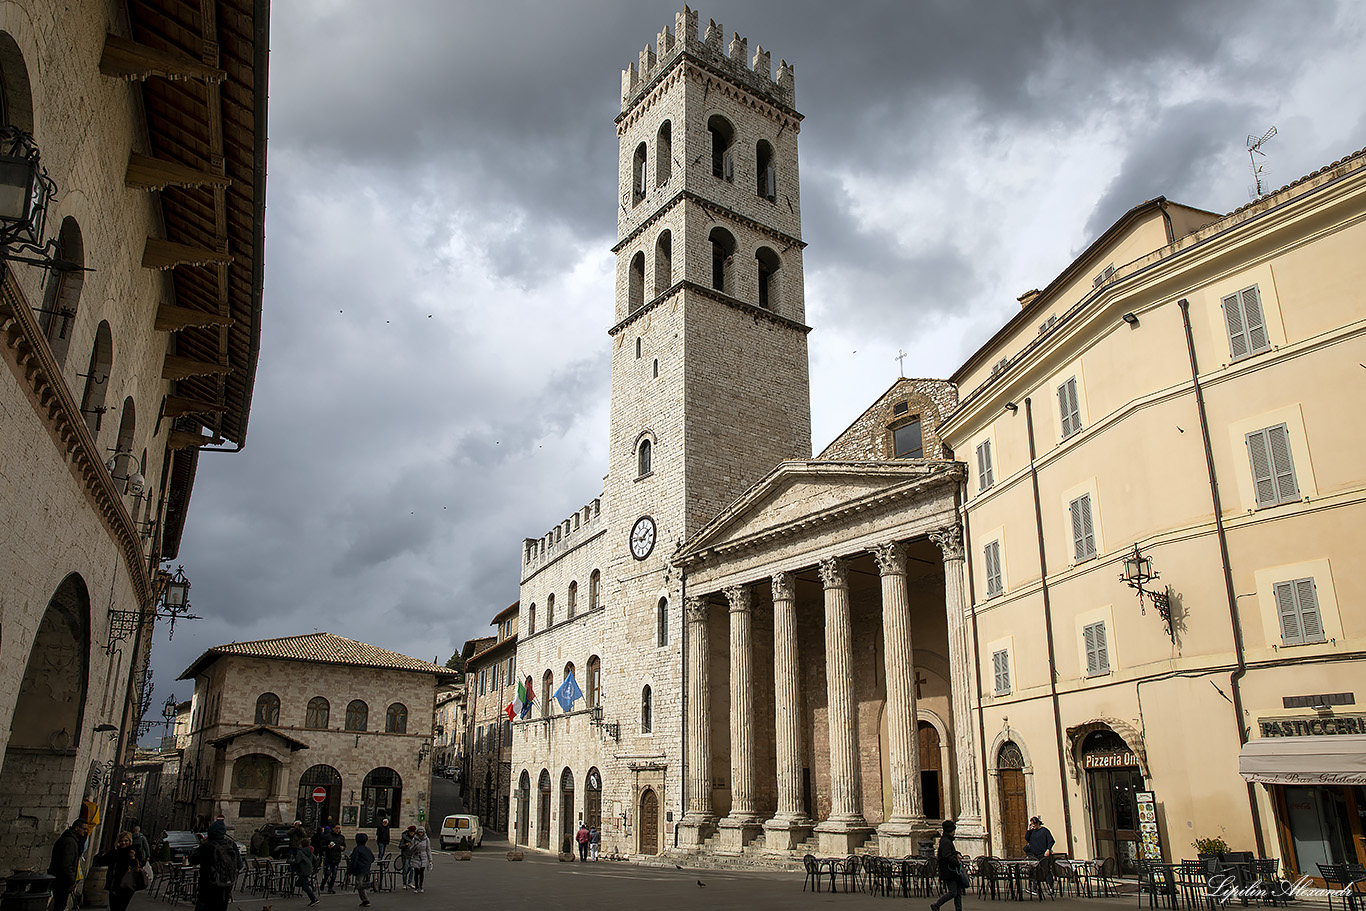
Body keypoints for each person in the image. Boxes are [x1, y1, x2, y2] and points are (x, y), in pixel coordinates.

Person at [189, 820, 243, 911]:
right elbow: (240, 864)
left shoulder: (208, 846)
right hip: (225, 886)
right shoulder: (231, 844)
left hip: (208, 886)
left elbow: (193, 860)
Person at [48, 817, 90, 911]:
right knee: (60, 905)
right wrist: (71, 881)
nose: (86, 831)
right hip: (62, 880)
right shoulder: (70, 842)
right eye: (84, 829)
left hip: (61, 880)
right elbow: (66, 864)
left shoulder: (72, 840)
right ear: (76, 828)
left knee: (59, 904)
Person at [96, 831, 143, 911]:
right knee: (114, 907)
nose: (123, 843)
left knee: (121, 908)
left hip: (127, 885)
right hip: (114, 885)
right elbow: (102, 861)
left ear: (130, 841)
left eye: (126, 841)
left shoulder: (133, 852)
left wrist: (133, 858)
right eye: (121, 841)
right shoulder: (115, 852)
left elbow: (138, 865)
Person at [930, 819, 965, 911]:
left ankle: (958, 909)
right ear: (950, 830)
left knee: (958, 892)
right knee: (953, 892)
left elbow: (950, 852)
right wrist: (956, 861)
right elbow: (947, 856)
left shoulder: (947, 840)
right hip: (949, 870)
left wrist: (957, 854)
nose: (954, 832)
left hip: (952, 870)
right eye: (953, 830)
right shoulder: (945, 841)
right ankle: (937, 904)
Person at [1024, 816, 1056, 895]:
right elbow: (1027, 838)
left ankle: (1051, 888)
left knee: (1046, 871)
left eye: (1034, 824)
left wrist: (1048, 849)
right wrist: (1028, 830)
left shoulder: (1044, 831)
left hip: (1043, 854)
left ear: (1038, 823)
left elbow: (1051, 841)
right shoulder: (1032, 832)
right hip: (1034, 855)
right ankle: (1034, 888)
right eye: (1031, 824)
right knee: (1034, 871)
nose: (1033, 826)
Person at [348, 832, 375, 908]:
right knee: (361, 886)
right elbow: (372, 858)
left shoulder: (357, 849)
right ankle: (365, 900)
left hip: (360, 869)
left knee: (359, 885)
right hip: (367, 869)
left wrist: (350, 871)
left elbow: (354, 861)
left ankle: (371, 885)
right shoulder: (368, 849)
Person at [290, 842, 320, 907]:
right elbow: (316, 859)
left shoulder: (300, 852)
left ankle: (313, 899)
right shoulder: (310, 851)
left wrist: (290, 861)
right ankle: (309, 883)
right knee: (299, 883)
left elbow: (297, 861)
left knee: (304, 886)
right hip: (308, 870)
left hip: (303, 871)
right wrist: (314, 868)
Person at [407, 827, 432, 893]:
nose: (420, 834)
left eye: (421, 832)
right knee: (416, 872)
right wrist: (414, 846)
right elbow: (410, 849)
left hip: (423, 856)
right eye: (419, 833)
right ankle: (416, 886)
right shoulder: (414, 839)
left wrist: (430, 859)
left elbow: (428, 850)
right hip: (416, 856)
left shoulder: (426, 839)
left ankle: (421, 886)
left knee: (421, 872)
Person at [322, 826, 346, 893]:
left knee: (334, 874)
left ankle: (330, 887)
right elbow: (322, 846)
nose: (337, 830)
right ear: (333, 829)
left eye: (339, 828)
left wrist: (342, 848)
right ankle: (323, 882)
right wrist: (327, 847)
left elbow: (344, 846)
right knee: (327, 873)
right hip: (329, 857)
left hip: (337, 857)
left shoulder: (341, 837)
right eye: (336, 828)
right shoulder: (328, 836)